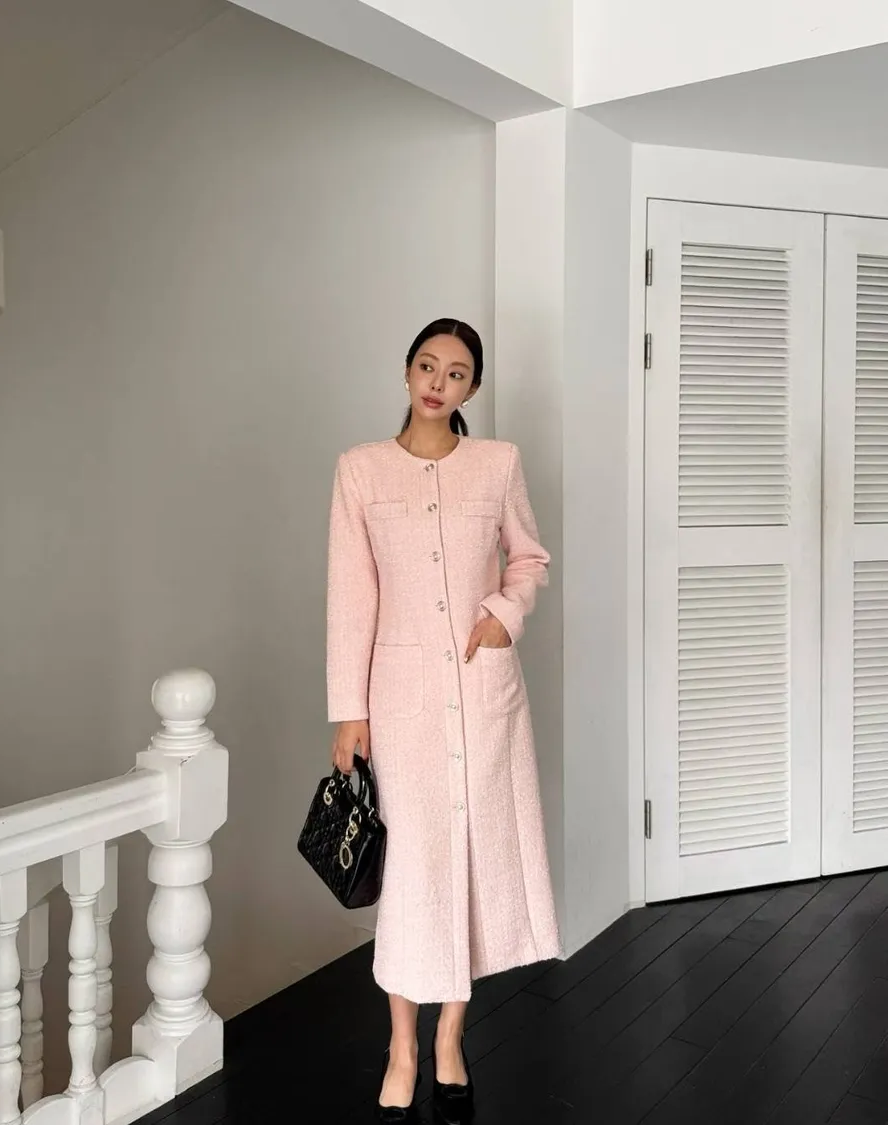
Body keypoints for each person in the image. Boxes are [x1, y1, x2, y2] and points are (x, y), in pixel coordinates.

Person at [327, 318, 561, 1122]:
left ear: (473, 388)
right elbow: (351, 594)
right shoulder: (361, 470)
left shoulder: (498, 463)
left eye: (456, 372)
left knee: (467, 857)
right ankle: (402, 1046)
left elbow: (529, 556)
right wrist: (349, 710)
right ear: (406, 372)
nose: (438, 382)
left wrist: (503, 614)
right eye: (427, 366)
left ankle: (451, 1038)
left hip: (483, 695)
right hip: (399, 701)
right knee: (411, 871)